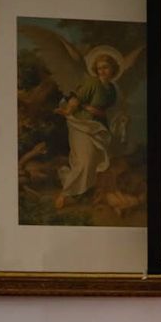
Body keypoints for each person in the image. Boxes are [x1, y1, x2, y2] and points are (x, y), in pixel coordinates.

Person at [54, 51, 120, 210]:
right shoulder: (93, 83)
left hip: (98, 127)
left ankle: (79, 193)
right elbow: (77, 98)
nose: (102, 71)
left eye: (105, 67)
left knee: (92, 162)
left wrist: (99, 112)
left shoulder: (112, 89)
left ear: (113, 69)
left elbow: (105, 109)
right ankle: (64, 194)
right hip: (81, 124)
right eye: (99, 68)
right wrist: (69, 110)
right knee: (84, 161)